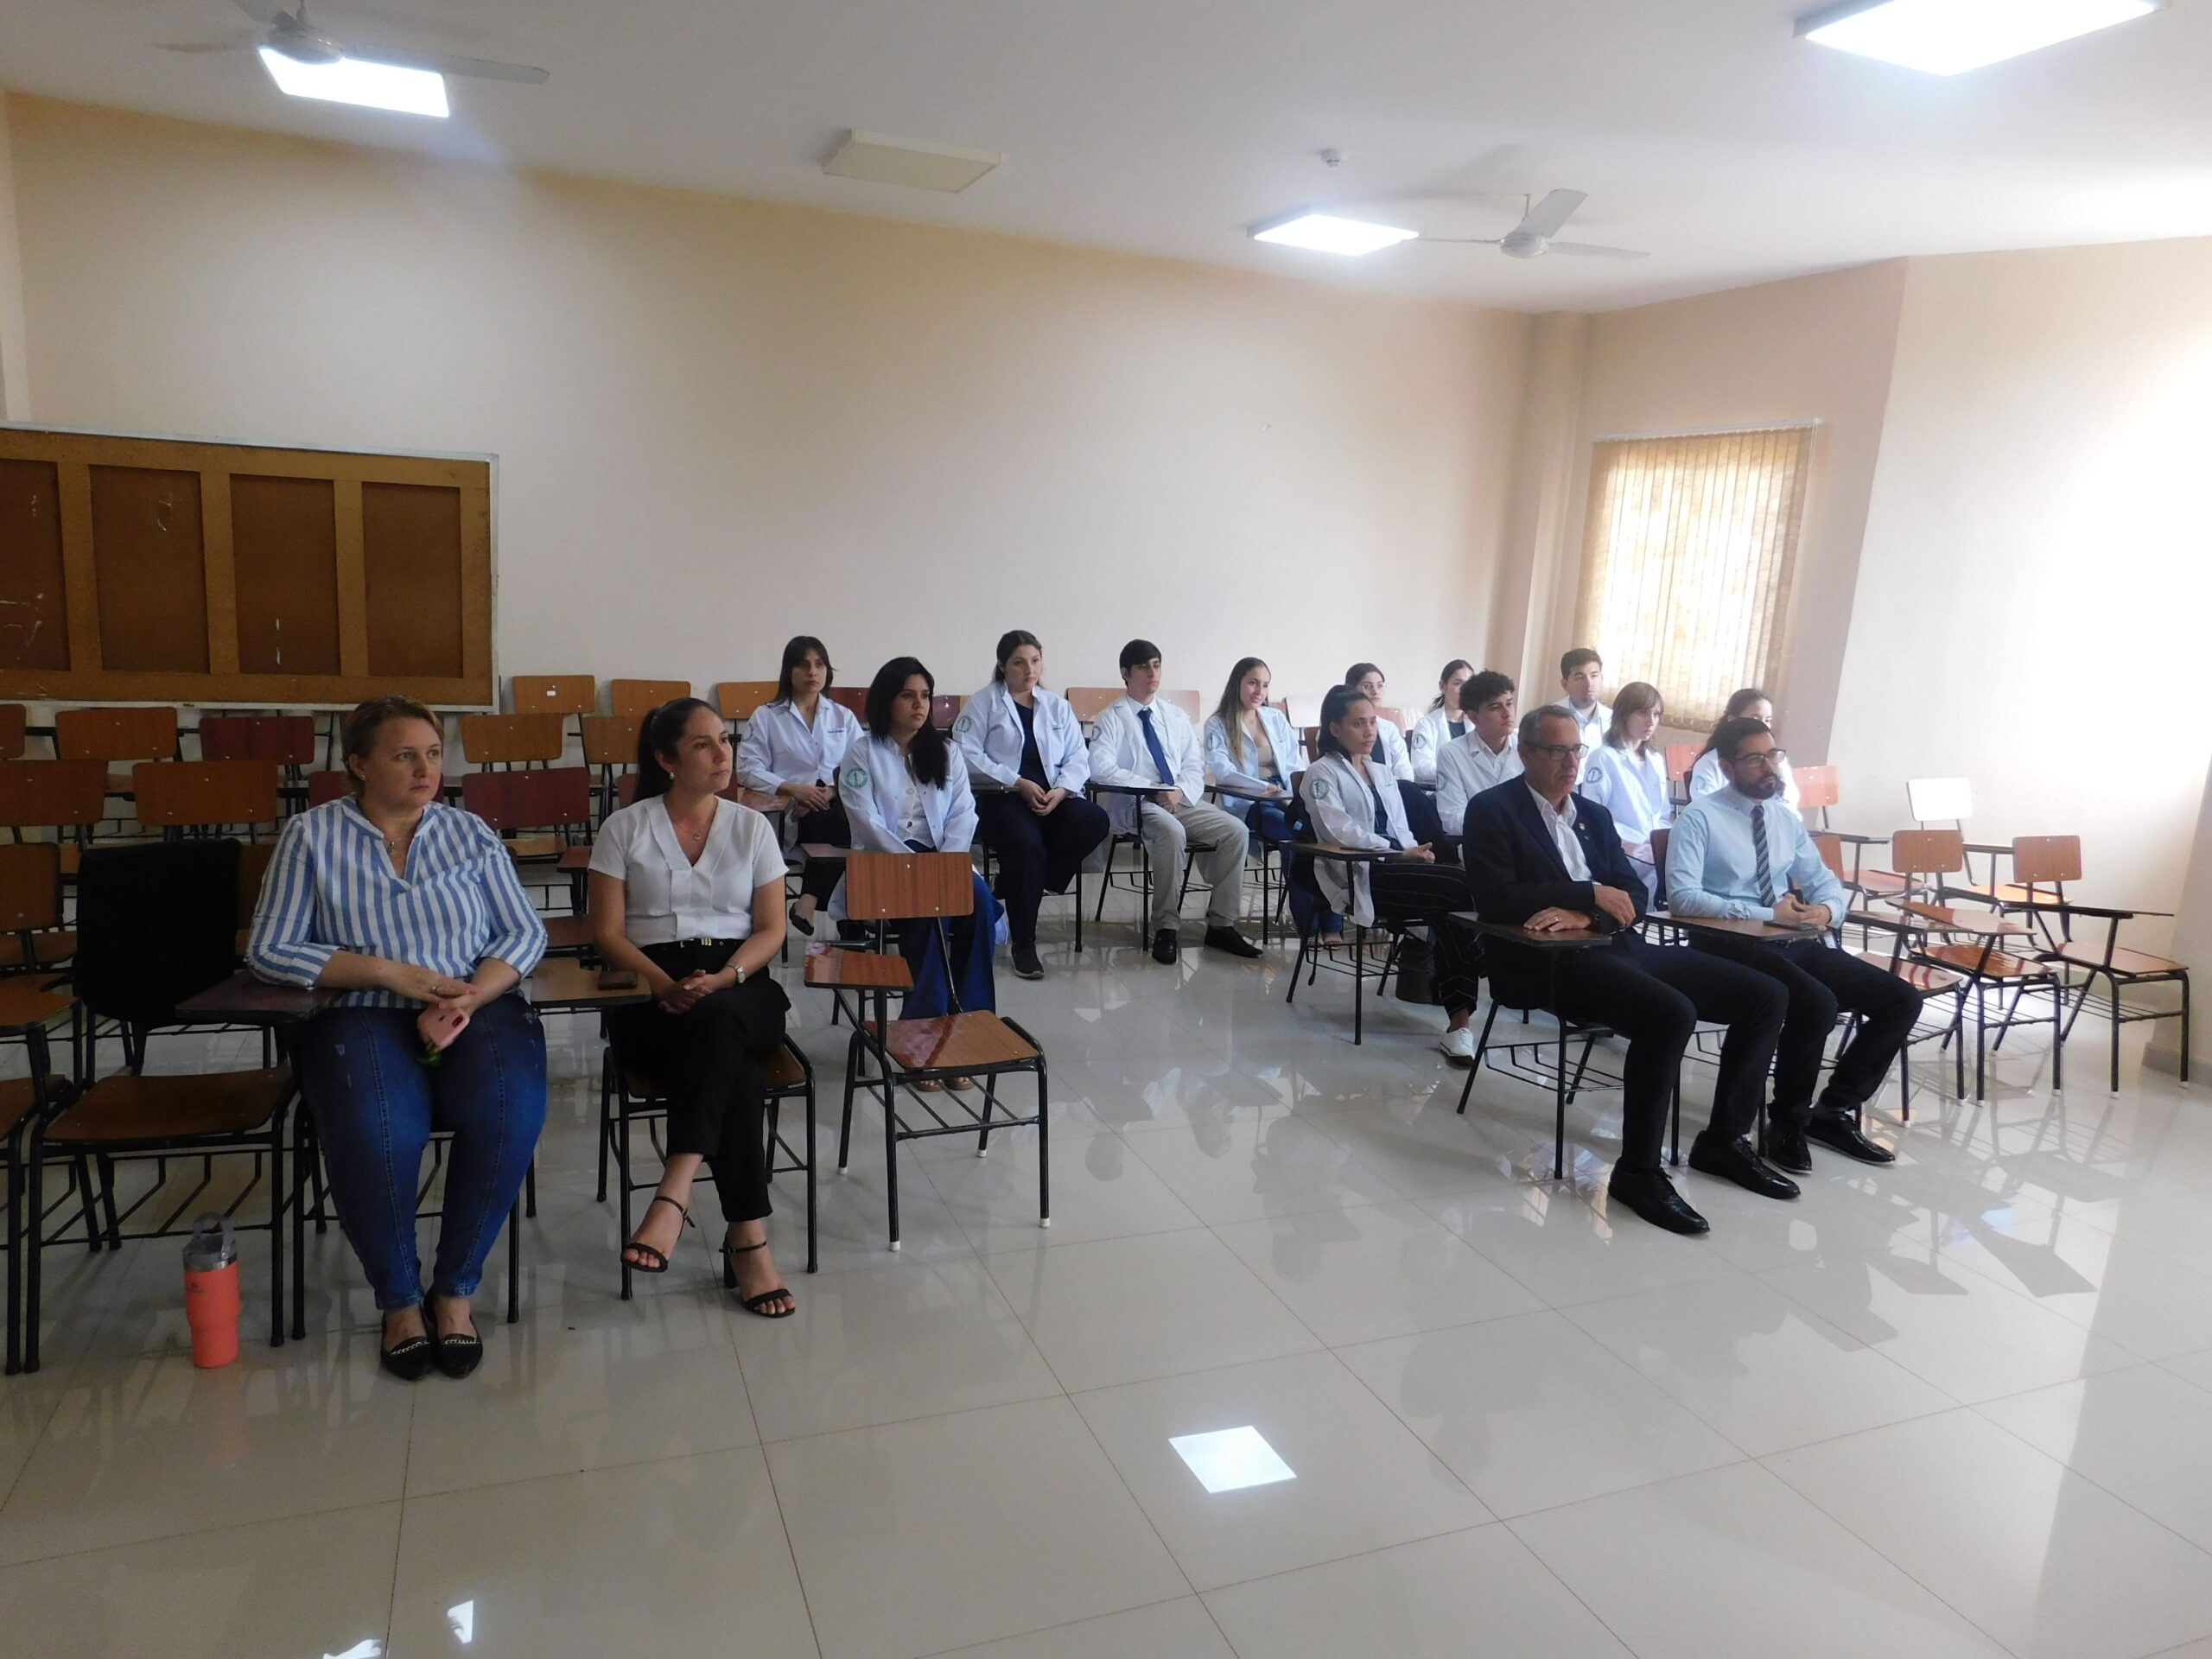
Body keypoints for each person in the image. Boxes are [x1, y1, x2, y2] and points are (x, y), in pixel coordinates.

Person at [250, 696, 548, 1380]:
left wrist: (475, 990)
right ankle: (399, 1298)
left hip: (475, 1002)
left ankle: (455, 1289)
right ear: (358, 764)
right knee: (380, 1129)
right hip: (359, 1009)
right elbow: (271, 949)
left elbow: (523, 932)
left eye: (434, 754)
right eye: (404, 755)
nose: (425, 770)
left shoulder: (468, 834)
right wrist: (389, 973)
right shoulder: (312, 837)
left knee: (509, 1112)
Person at [1459, 705, 1795, 1236]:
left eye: (1576, 750)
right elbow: (1498, 898)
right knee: (1670, 1013)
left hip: (1616, 944)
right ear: (1525, 753)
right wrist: (1589, 893)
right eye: (1555, 751)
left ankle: (1723, 1142)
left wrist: (1586, 912)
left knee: (1766, 995)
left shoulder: (1593, 814)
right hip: (1546, 961)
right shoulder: (1492, 810)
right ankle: (1638, 1172)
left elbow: (1635, 893)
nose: (1570, 762)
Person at [590, 698, 797, 1318]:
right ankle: (749, 1241)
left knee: (720, 1018)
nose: (722, 753)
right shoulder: (624, 828)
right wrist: (661, 983)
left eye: (724, 740)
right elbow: (607, 932)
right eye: (704, 744)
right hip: (651, 988)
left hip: (740, 979)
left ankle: (674, 1191)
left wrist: (727, 976)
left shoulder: (751, 826)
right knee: (732, 1069)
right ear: (666, 759)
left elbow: (772, 929)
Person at [1666, 715, 1919, 1171]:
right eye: (1755, 758)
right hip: (1730, 941)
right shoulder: (1699, 817)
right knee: (1816, 1003)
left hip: (1790, 939)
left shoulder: (1784, 817)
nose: (1770, 767)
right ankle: (1786, 1122)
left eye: (1773, 755)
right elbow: (1682, 898)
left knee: (1900, 999)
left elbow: (1822, 880)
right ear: (1726, 767)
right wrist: (1766, 914)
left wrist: (1825, 910)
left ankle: (1832, 1111)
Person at [1303, 684, 1482, 1063]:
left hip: (1400, 865)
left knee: (1454, 907)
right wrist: (1398, 854)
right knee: (1460, 890)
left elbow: (1400, 828)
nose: (1370, 731)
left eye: (1372, 722)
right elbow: (1338, 831)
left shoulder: (1382, 772)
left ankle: (1459, 1025)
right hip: (1361, 875)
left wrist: (1416, 853)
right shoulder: (1320, 773)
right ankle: (1477, 987)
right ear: (1335, 729)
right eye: (1358, 724)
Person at [837, 657, 1001, 1018]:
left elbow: (963, 812)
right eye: (908, 696)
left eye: (925, 696)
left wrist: (945, 863)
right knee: (927, 912)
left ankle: (972, 1017)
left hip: (943, 857)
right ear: (886, 701)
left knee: (981, 905)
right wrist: (916, 869)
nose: (919, 705)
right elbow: (867, 823)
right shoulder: (861, 753)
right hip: (886, 862)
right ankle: (926, 1027)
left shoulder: (947, 751)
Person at [1088, 640, 1260, 965]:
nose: (1152, 673)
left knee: (1236, 830)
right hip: (1138, 803)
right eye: (1143, 667)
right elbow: (1101, 769)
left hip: (1181, 800)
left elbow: (1194, 764)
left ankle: (1222, 924)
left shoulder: (1174, 716)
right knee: (1171, 833)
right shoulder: (1111, 718)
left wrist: (1179, 791)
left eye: (1156, 665)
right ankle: (1166, 926)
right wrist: (1152, 788)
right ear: (1126, 673)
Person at [956, 630, 1109, 981]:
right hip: (1002, 798)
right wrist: (1017, 782)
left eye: (1035, 661)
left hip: (1052, 797)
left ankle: (1018, 883)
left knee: (1094, 820)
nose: (1029, 670)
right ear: (1002, 665)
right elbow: (965, 755)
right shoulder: (983, 703)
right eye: (1019, 663)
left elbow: (1077, 757)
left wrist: (1062, 790)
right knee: (1027, 848)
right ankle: (1024, 943)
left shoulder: (1056, 705)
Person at [735, 635, 864, 936]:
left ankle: (809, 899)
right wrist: (793, 789)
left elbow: (862, 768)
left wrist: (833, 790)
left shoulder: (843, 717)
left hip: (835, 805)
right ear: (789, 671)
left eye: (819, 665)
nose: (812, 672)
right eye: (804, 665)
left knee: (835, 815)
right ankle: (851, 921)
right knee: (837, 823)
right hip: (789, 810)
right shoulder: (767, 716)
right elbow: (747, 770)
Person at [1202, 655, 1306, 851]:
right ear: (1237, 684)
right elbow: (1224, 772)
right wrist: (1265, 788)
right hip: (1252, 802)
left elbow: (1295, 764)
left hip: (1287, 796)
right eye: (1253, 683)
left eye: (1265, 685)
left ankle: (1299, 882)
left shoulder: (1275, 717)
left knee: (1310, 830)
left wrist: (1292, 797)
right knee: (1292, 832)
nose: (1260, 691)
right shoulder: (1217, 724)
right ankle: (1295, 883)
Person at [1578, 680, 1671, 875]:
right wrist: (1631, 844)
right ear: (1624, 715)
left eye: (1656, 714)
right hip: (1621, 848)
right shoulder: (1604, 757)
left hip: (1651, 848)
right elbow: (1593, 816)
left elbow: (1662, 815)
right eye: (1643, 713)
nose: (1651, 722)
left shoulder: (1655, 760)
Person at [1344, 662, 1441, 847]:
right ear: (1351, 690)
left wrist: (1389, 782)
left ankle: (1433, 851)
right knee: (1410, 794)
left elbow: (1405, 770)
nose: (1375, 691)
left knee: (1409, 790)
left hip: (1394, 788)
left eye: (1380, 685)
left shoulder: (1389, 728)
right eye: (1367, 686)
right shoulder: (1341, 730)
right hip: (1363, 791)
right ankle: (1440, 852)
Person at [1433, 670, 1522, 838]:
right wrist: (1502, 826)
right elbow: (1452, 818)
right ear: (1474, 717)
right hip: (1480, 844)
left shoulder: (1527, 745)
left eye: (1509, 703)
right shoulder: (1452, 753)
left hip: (1526, 842)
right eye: (1495, 707)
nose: (1507, 713)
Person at [1689, 687, 1799, 810]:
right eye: (1755, 719)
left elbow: (1789, 804)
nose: (1762, 725)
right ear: (1732, 720)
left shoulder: (1778, 761)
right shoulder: (1710, 763)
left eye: (1768, 720)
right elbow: (1706, 810)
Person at [1408, 659, 1475, 785]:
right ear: (1442, 686)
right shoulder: (1426, 724)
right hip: (1439, 792)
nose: (1463, 690)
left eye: (1468, 684)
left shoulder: (1477, 723)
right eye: (1457, 683)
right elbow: (1421, 768)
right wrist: (1457, 773)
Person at [1560, 647, 1611, 754]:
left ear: (1602, 679)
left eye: (1594, 676)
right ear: (1565, 684)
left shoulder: (1614, 721)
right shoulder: (1550, 719)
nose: (1589, 683)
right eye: (1580, 677)